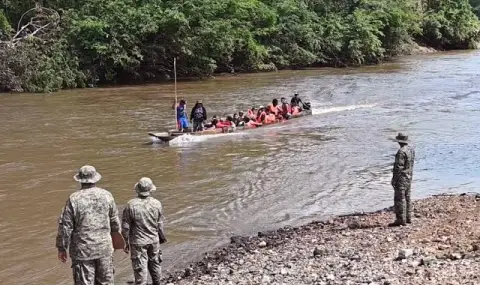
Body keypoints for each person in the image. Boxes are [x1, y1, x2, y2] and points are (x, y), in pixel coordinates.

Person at [56, 165, 120, 285]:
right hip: (104, 249)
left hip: (82, 252)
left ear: (80, 180)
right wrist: (116, 242)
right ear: (95, 178)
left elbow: (66, 227)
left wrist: (62, 248)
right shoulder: (107, 195)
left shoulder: (73, 199)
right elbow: (115, 223)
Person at [122, 177, 166, 285]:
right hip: (153, 240)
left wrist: (125, 243)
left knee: (140, 270)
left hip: (138, 242)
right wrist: (161, 238)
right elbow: (160, 224)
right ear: (151, 190)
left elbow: (125, 227)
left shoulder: (130, 205)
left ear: (138, 189)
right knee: (155, 265)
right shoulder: (157, 204)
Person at [390, 133, 415, 227]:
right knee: (407, 197)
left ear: (399, 141)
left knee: (400, 198)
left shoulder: (401, 152)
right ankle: (408, 218)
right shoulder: (411, 150)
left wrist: (394, 179)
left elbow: (398, 168)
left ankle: (401, 220)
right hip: (409, 176)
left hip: (402, 178)